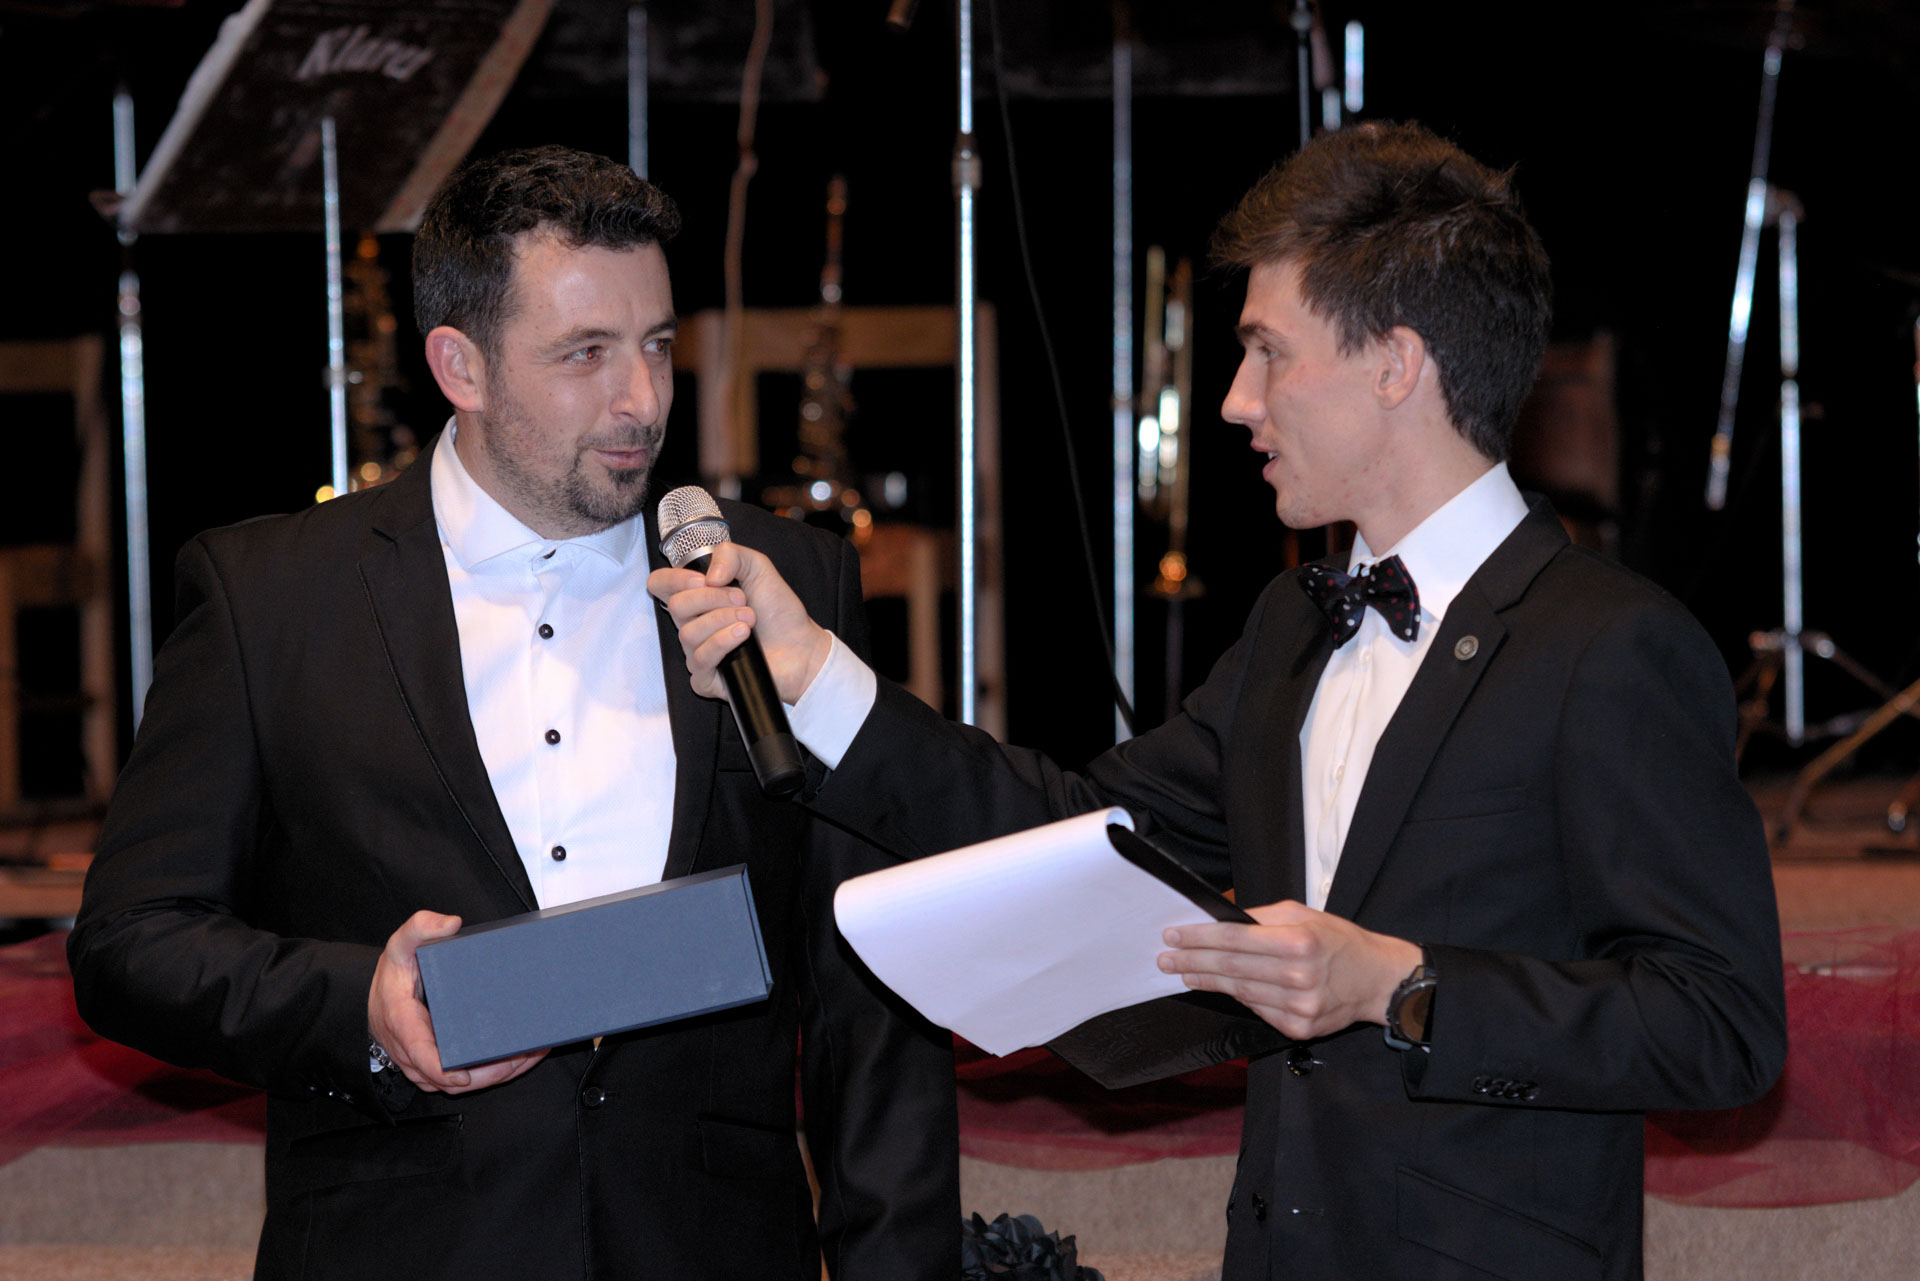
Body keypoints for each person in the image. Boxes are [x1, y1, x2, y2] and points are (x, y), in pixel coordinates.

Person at [652, 122, 1788, 1281]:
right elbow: (1075, 832)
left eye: (1267, 353)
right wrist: (816, 678)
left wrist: (1401, 986)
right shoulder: (1294, 623)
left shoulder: (1611, 644)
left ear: (1395, 365)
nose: (1238, 401)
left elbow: (1722, 1027)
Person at [68, 146, 959, 1281]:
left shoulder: (778, 580)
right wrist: (360, 1006)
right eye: (585, 353)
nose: (642, 399)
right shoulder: (271, 596)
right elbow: (132, 940)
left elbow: (868, 1003)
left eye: (657, 344)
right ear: (462, 366)